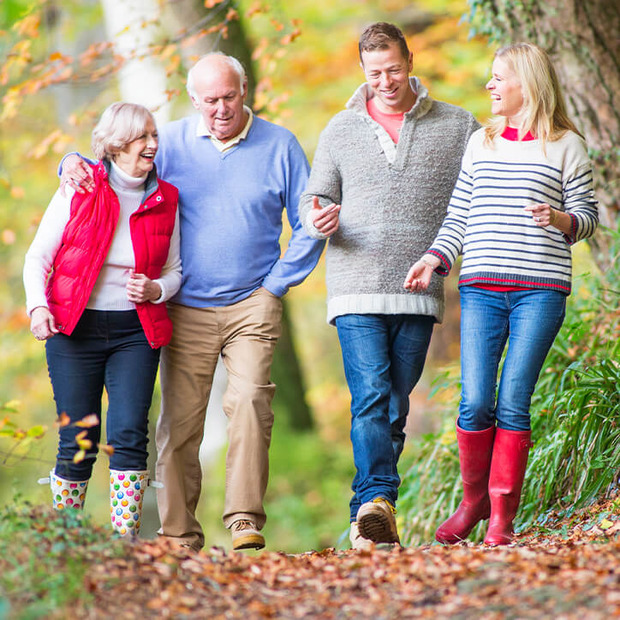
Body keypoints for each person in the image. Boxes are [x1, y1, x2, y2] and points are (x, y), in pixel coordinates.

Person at [60, 52, 324, 552]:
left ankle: (244, 517)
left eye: (228, 97)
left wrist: (278, 284)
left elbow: (309, 218)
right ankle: (178, 533)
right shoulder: (170, 142)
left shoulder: (280, 145)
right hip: (183, 305)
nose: (220, 108)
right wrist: (69, 162)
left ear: (244, 91)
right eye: (209, 100)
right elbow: (114, 167)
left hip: (253, 301)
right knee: (180, 421)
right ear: (193, 98)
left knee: (249, 400)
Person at [404, 42, 599, 546]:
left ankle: (500, 520)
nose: (490, 86)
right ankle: (472, 504)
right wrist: (434, 259)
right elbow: (459, 216)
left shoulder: (565, 146)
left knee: (513, 401)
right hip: (481, 290)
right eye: (489, 77)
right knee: (474, 404)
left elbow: (587, 218)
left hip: (540, 291)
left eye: (499, 78)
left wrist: (560, 219)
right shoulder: (481, 142)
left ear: (526, 84)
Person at [299, 22, 479, 550]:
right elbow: (314, 201)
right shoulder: (340, 129)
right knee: (371, 395)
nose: (386, 81)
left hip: (420, 288)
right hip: (354, 286)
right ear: (362, 70)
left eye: (394, 69)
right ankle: (379, 497)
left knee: (395, 404)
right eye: (375, 72)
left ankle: (365, 516)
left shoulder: (457, 125)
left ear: (410, 60)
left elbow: (478, 195)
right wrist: (318, 219)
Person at [24, 102, 181, 538]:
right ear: (115, 145)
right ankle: (68, 539)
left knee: (130, 432)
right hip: (74, 329)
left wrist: (156, 290)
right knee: (79, 438)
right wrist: (38, 305)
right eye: (140, 137)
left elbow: (175, 271)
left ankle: (123, 544)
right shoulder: (81, 186)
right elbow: (38, 256)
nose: (151, 145)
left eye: (154, 136)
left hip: (135, 330)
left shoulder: (165, 198)